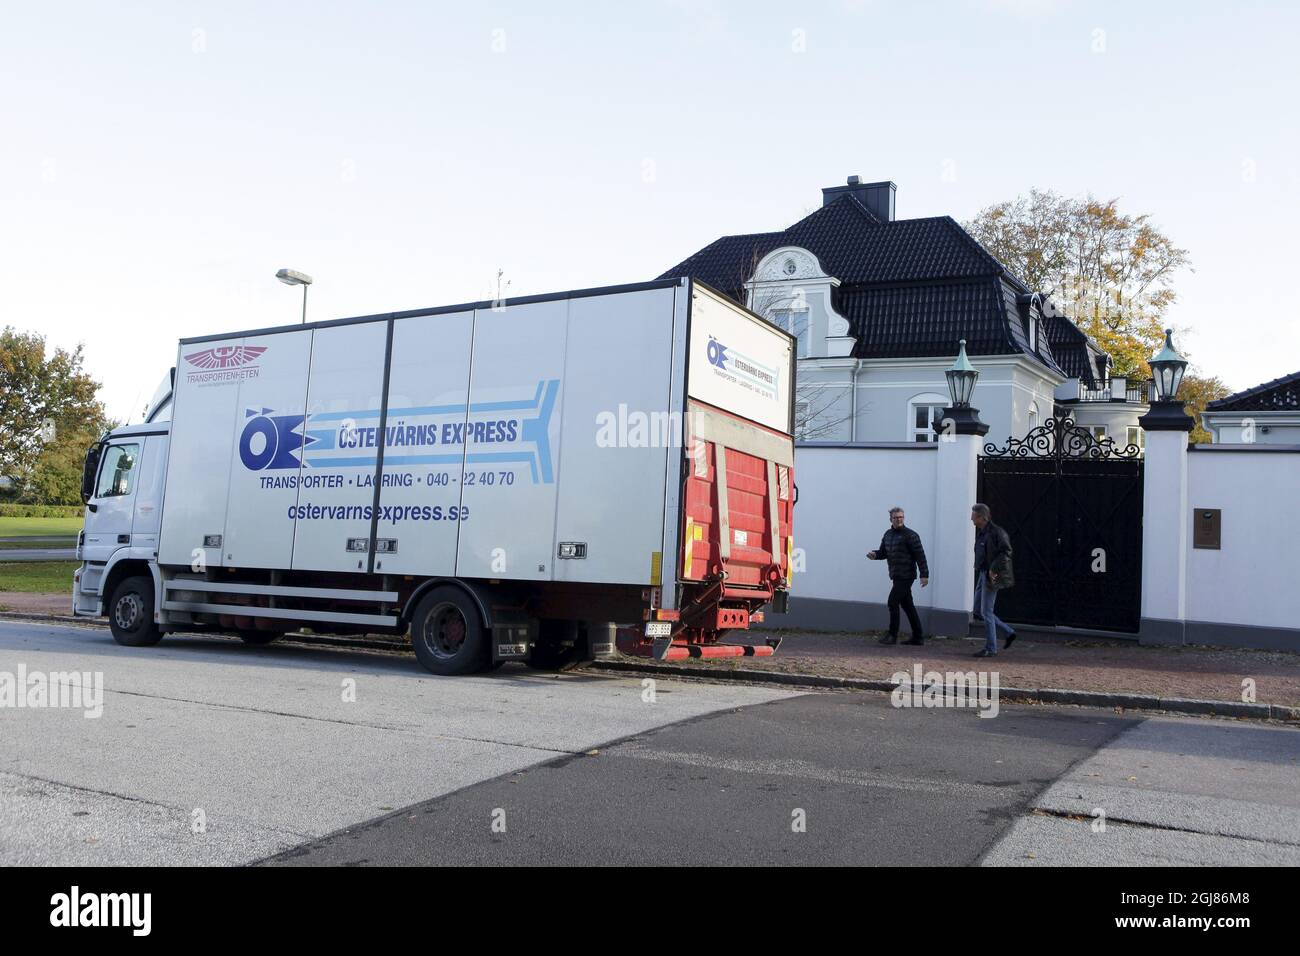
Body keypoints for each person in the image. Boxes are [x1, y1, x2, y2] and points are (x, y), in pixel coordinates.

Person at [867, 507, 929, 646]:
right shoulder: (888, 535)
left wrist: (924, 575)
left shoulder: (911, 535)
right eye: (896, 517)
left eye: (901, 517)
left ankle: (892, 635)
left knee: (892, 602)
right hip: (896, 575)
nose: (899, 519)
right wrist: (875, 555)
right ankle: (918, 637)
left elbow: (920, 556)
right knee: (907, 605)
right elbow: (884, 552)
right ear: (891, 519)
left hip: (906, 576)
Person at [970, 503, 1016, 657]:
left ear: (981, 517)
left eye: (973, 516)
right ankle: (1008, 632)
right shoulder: (984, 532)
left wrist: (993, 569)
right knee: (978, 610)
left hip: (991, 575)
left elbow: (1006, 552)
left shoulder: (996, 532)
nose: (971, 519)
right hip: (984, 573)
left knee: (986, 611)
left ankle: (991, 648)